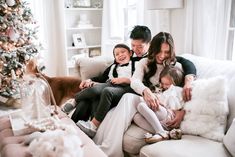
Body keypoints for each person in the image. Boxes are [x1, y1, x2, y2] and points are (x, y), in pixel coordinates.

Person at [93, 32, 196, 157]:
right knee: (123, 102)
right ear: (153, 49)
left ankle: (108, 151)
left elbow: (181, 93)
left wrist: (182, 111)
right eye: (159, 51)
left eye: (166, 52)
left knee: (129, 100)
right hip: (150, 102)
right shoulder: (144, 62)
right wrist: (145, 91)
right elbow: (135, 81)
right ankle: (105, 148)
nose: (162, 56)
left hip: (166, 109)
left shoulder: (176, 66)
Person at [70, 25, 195, 124]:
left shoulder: (154, 60)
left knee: (104, 92)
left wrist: (189, 79)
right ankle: (72, 127)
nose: (136, 50)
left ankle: (90, 126)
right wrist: (90, 80)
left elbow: (185, 62)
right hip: (115, 87)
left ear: (150, 44)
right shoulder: (128, 56)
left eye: (140, 46)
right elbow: (106, 74)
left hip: (130, 91)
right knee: (89, 97)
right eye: (133, 46)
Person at [62, 44, 134, 137]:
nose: (120, 55)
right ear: (115, 58)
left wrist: (125, 80)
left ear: (130, 53)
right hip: (107, 85)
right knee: (87, 99)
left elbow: (138, 80)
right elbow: (101, 78)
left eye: (123, 52)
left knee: (98, 90)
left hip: (120, 89)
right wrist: (89, 80)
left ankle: (74, 101)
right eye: (117, 54)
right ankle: (72, 126)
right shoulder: (113, 67)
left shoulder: (134, 65)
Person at [134, 65, 185, 144]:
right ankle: (164, 132)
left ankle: (161, 132)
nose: (164, 86)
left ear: (175, 82)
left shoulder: (177, 90)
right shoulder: (161, 90)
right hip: (162, 121)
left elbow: (180, 105)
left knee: (141, 106)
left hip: (169, 116)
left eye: (167, 84)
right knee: (136, 117)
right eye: (162, 83)